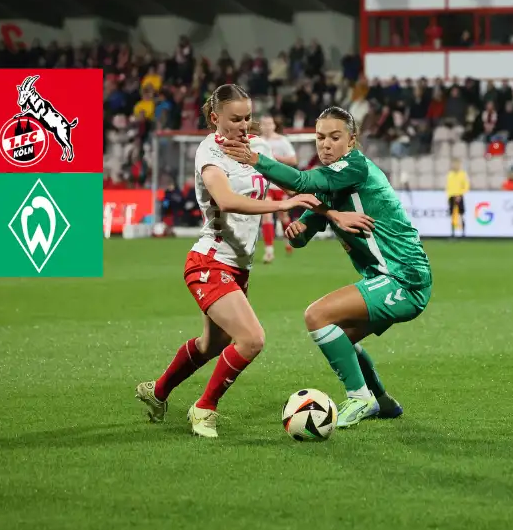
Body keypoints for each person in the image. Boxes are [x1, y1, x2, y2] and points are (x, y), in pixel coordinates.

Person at [219, 107, 433, 429]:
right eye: (320, 137)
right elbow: (305, 232)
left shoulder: (355, 167)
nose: (326, 145)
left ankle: (359, 398)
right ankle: (381, 401)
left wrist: (256, 160)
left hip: (404, 278)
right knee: (340, 338)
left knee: (316, 316)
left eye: (335, 137)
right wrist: (297, 232)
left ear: (351, 141)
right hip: (387, 277)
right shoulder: (329, 185)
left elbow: (301, 180)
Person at [134, 84, 323, 439]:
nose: (243, 124)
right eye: (235, 118)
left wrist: (327, 212)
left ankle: (157, 393)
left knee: (212, 345)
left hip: (238, 266)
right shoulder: (209, 153)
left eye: (247, 117)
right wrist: (281, 206)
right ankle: (204, 408)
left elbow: (285, 181)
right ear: (214, 117)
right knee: (251, 339)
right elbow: (226, 199)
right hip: (209, 262)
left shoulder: (257, 148)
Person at [257, 115, 300, 264]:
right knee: (267, 215)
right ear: (260, 126)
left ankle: (288, 242)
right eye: (264, 123)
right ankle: (269, 251)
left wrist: (275, 158)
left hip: (281, 184)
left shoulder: (282, 141)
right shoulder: (258, 142)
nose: (267, 126)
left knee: (284, 216)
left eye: (270, 123)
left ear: (274, 125)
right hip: (265, 184)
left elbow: (294, 160)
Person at [446, 158, 469, 238]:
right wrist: (450, 196)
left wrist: (459, 194)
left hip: (459, 196)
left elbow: (466, 186)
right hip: (452, 196)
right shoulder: (450, 174)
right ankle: (453, 234)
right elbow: (448, 187)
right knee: (453, 215)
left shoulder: (462, 174)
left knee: (461, 215)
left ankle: (463, 234)